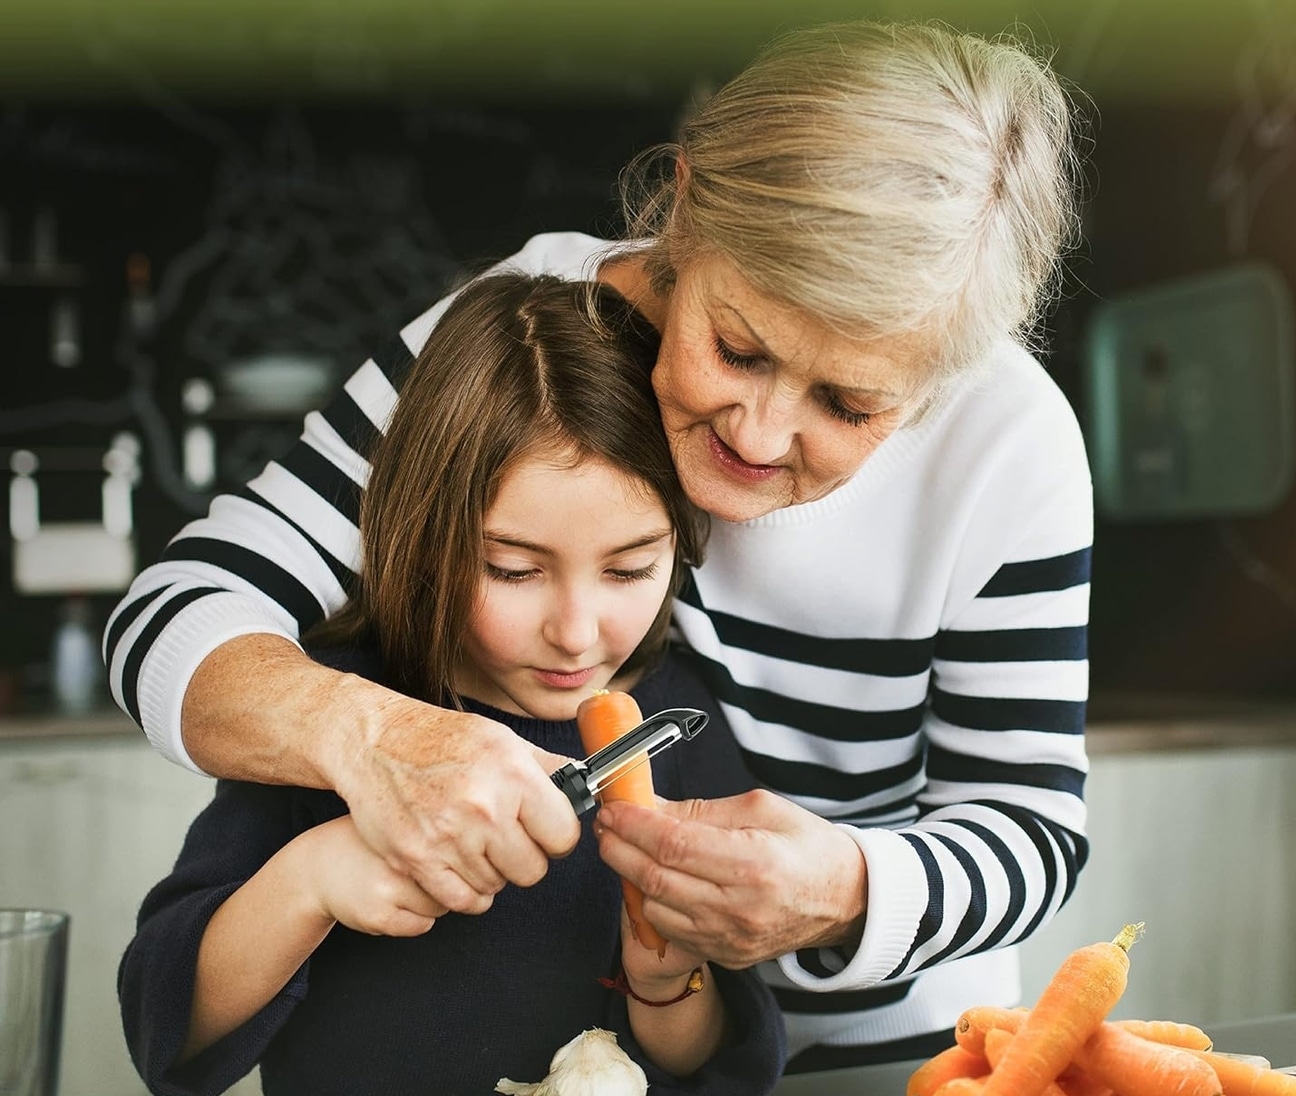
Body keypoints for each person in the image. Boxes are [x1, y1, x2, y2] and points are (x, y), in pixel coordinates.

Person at [105, 20, 1093, 1070]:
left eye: (848, 403)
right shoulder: (531, 335)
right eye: (737, 346)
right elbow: (179, 607)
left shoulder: (1008, 449)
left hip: (895, 1055)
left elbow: (1028, 824)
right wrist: (361, 736)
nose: (756, 436)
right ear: (682, 209)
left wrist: (846, 888)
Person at [117, 274, 786, 1096]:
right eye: (511, 568)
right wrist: (313, 879)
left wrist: (664, 979)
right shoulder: (340, 717)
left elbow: (728, 1065)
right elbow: (167, 1031)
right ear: (426, 536)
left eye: (630, 567)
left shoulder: (677, 727)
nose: (577, 631)